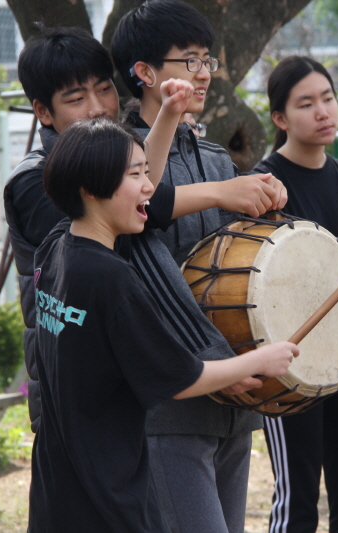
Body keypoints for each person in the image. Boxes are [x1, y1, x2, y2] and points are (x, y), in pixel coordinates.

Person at [4, 26, 282, 440]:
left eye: (104, 90)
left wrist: (170, 113)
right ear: (43, 112)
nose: (99, 108)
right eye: (76, 99)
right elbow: (138, 207)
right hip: (87, 405)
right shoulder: (37, 182)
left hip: (155, 389)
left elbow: (140, 191)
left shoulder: (136, 160)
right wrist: (220, 192)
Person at [29, 117, 299, 532]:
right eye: (135, 175)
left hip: (57, 485)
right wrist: (261, 359)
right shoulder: (112, 278)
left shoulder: (57, 251)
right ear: (90, 188)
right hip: (107, 494)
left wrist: (169, 112)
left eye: (145, 172)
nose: (149, 186)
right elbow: (181, 377)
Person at [110, 3, 290, 532]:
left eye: (207, 59)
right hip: (170, 397)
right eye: (189, 60)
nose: (205, 73)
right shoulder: (110, 158)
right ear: (144, 72)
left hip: (235, 390)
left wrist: (267, 201)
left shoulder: (214, 156)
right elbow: (135, 231)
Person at [251, 55, 338, 533]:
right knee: (298, 506)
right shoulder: (265, 185)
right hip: (286, 363)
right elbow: (265, 280)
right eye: (306, 103)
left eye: (328, 99)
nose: (322, 112)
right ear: (280, 118)